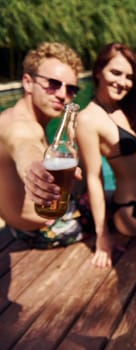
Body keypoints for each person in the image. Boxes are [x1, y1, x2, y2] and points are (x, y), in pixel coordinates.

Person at [75, 43, 136, 268]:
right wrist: (102, 236)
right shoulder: (88, 119)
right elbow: (95, 179)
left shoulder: (126, 110)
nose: (123, 82)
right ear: (98, 71)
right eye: (115, 73)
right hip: (133, 212)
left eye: (129, 77)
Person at [0, 42, 93, 248]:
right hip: (42, 231)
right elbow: (24, 145)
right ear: (27, 82)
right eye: (53, 83)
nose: (62, 94)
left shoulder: (22, 117)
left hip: (27, 224)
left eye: (71, 89)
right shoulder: (19, 125)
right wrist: (34, 172)